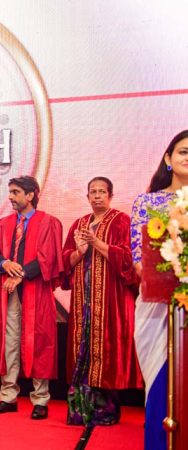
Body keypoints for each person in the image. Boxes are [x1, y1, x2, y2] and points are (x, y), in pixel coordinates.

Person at [63, 177, 142, 426]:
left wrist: (96, 243)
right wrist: (79, 252)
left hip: (111, 300)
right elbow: (65, 262)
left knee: (106, 351)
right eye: (93, 192)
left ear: (110, 196)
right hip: (83, 299)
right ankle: (81, 410)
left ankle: (106, 410)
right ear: (87, 196)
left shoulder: (121, 221)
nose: (97, 196)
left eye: (102, 192)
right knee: (82, 351)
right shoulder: (79, 224)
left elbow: (130, 260)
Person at [0, 176, 64, 420]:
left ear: (31, 195)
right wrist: (5, 263)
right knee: (9, 343)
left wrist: (20, 275)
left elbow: (48, 257)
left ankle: (40, 400)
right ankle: (7, 396)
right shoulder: (3, 224)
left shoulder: (49, 223)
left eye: (15, 192)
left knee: (39, 342)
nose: (10, 196)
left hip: (36, 292)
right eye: (10, 192)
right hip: (8, 294)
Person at [132, 130, 188, 450]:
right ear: (168, 158)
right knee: (162, 388)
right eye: (183, 151)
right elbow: (140, 261)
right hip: (158, 309)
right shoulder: (148, 202)